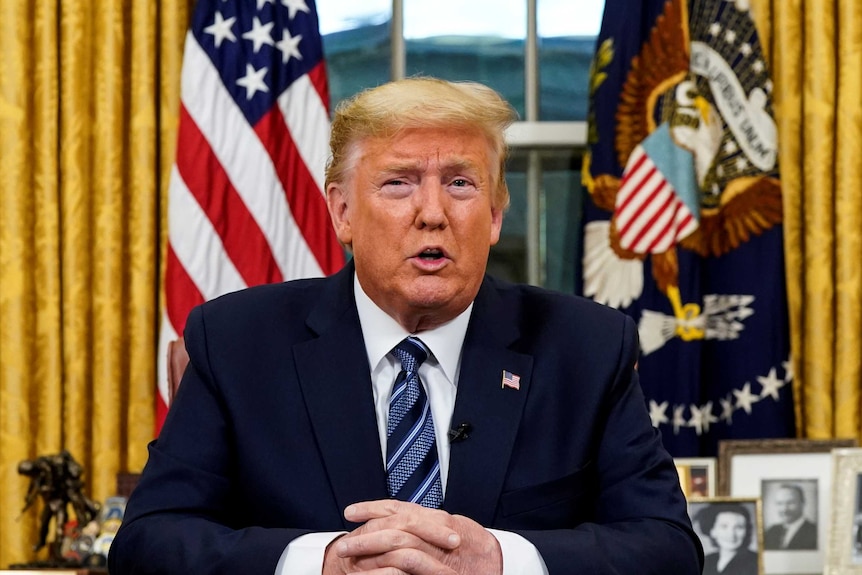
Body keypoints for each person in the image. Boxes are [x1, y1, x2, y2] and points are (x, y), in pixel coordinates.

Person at [108, 77, 703, 574]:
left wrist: (499, 559)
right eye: (398, 182)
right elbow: (148, 543)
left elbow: (668, 547)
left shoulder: (586, 347)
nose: (433, 214)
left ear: (495, 215)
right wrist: (321, 562)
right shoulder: (237, 341)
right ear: (342, 211)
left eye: (460, 184)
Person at [696, 503, 759, 575]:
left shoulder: (756, 561)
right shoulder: (706, 561)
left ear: (747, 530)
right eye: (724, 526)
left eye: (739, 527)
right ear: (712, 531)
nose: (731, 534)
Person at [763, 483, 817, 550]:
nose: (784, 509)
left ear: (803, 503)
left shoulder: (815, 533)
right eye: (780, 503)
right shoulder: (771, 531)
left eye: (790, 503)